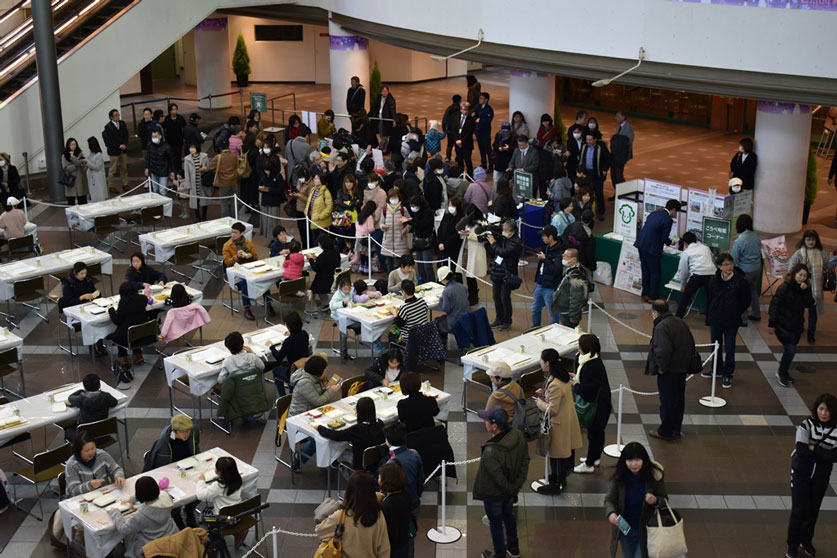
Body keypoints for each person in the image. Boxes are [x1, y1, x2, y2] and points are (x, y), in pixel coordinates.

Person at [473, 406, 530, 558]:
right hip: (511, 489)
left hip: (494, 494)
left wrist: (510, 488)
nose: (484, 423)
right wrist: (516, 485)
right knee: (509, 517)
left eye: (486, 420)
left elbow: (496, 478)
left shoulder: (491, 451)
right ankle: (513, 548)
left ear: (494, 426)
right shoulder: (518, 435)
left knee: (496, 523)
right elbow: (525, 461)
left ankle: (499, 554)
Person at [786, 393, 837, 558]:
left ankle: (806, 541)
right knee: (799, 510)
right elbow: (801, 450)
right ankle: (792, 545)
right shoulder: (806, 425)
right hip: (801, 474)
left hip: (821, 477)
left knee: (813, 510)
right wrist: (824, 454)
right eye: (821, 409)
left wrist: (814, 448)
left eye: (827, 410)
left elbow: (835, 457)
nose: (824, 413)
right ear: (816, 409)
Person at [604, 442, 667, 558]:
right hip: (625, 529)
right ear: (624, 461)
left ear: (644, 459)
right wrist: (611, 513)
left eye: (637, 459)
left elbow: (664, 500)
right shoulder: (619, 477)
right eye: (629, 460)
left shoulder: (653, 476)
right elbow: (609, 500)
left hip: (646, 530)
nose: (634, 464)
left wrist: (655, 500)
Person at [646, 300, 696, 441]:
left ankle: (665, 431)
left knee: (667, 400)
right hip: (681, 368)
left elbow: (663, 350)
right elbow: (690, 342)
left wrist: (662, 368)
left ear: (655, 312)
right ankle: (676, 428)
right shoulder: (679, 321)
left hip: (669, 370)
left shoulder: (661, 327)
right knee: (678, 400)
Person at [534, 348, 582, 494]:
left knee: (557, 454)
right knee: (561, 453)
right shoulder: (561, 375)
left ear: (547, 363)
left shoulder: (555, 382)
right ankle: (557, 477)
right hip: (567, 419)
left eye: (542, 360)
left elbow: (553, 409)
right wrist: (545, 394)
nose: (540, 362)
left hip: (558, 423)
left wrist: (539, 402)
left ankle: (556, 484)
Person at [316, 471, 391, 558]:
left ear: (349, 491)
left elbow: (320, 531)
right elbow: (384, 550)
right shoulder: (378, 515)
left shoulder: (341, 516)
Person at [706, 253, 751, 389]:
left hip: (732, 320)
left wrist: (736, 311)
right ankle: (716, 369)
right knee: (715, 345)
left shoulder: (740, 281)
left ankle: (728, 374)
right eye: (725, 264)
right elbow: (710, 297)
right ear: (719, 267)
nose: (729, 267)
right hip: (716, 319)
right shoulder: (714, 280)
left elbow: (746, 300)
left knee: (730, 347)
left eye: (731, 263)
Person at [289, 355, 341, 468]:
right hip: (301, 416)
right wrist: (331, 391)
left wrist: (325, 389)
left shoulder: (311, 376)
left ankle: (330, 457)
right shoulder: (305, 382)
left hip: (313, 412)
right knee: (320, 437)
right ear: (318, 371)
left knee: (334, 429)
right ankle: (298, 457)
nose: (325, 371)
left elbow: (315, 393)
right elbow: (318, 401)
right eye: (324, 369)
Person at [108, 476, 179, 558]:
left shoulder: (141, 515)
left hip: (151, 548)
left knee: (130, 538)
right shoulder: (166, 497)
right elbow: (153, 492)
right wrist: (132, 499)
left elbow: (123, 529)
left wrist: (115, 512)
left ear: (139, 494)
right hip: (171, 538)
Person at [572, 334, 612, 473]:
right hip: (602, 403)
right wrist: (577, 378)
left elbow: (586, 390)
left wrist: (575, 385)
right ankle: (595, 458)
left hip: (597, 406)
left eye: (580, 345)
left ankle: (589, 465)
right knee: (596, 433)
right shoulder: (594, 360)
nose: (578, 348)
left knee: (595, 435)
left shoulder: (589, 366)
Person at [769, 263, 815, 388]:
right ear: (794, 274)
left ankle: (784, 372)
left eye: (805, 276)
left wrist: (805, 292)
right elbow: (775, 304)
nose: (802, 278)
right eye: (800, 275)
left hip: (796, 326)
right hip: (783, 324)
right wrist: (772, 323)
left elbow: (810, 304)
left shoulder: (804, 288)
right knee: (790, 350)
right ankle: (781, 372)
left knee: (791, 350)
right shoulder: (785, 287)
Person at [319, 396, 386, 470]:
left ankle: (343, 469)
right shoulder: (380, 423)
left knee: (341, 451)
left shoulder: (357, 430)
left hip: (361, 462)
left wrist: (320, 428)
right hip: (378, 458)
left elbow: (336, 435)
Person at [634, 199, 680, 303]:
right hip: (652, 248)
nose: (675, 214)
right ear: (673, 209)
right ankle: (653, 296)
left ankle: (645, 293)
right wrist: (672, 242)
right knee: (655, 272)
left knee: (645, 270)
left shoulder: (654, 213)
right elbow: (664, 238)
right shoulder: (668, 220)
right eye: (675, 212)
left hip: (641, 243)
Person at [107, 281, 151, 376]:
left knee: (118, 333)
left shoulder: (123, 303)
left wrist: (111, 310)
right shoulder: (143, 299)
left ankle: (124, 359)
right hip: (144, 334)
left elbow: (117, 321)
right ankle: (138, 355)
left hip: (128, 337)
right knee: (132, 330)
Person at [789, 230, 826, 343]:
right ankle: (799, 327)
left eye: (813, 239)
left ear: (816, 240)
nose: (810, 242)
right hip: (801, 286)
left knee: (813, 310)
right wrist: (799, 280)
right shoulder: (799, 253)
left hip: (815, 287)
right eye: (808, 239)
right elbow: (791, 269)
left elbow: (826, 266)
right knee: (799, 309)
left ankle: (811, 332)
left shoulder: (821, 253)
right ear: (804, 240)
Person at [486, 220, 523, 331]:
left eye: (506, 230)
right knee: (496, 297)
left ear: (512, 231)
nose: (503, 232)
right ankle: (499, 318)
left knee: (504, 298)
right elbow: (496, 252)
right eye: (503, 230)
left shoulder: (515, 242)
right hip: (498, 271)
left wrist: (493, 243)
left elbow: (503, 252)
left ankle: (507, 321)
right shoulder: (503, 239)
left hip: (508, 273)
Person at [65, 431, 125, 497]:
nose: (91, 452)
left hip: (103, 495)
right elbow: (73, 491)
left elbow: (116, 469)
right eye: (87, 451)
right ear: (78, 451)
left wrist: (119, 476)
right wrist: (90, 485)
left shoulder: (101, 455)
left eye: (93, 448)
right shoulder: (72, 465)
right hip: (81, 499)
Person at [673, 231, 717, 318]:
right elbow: (712, 259)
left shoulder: (686, 252)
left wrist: (683, 284)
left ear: (685, 243)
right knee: (711, 297)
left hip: (698, 275)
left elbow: (683, 271)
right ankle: (710, 319)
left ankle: (678, 317)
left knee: (686, 296)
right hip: (712, 274)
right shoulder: (705, 247)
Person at [384, 421, 424, 511]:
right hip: (415, 502)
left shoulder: (391, 464)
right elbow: (420, 480)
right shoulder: (415, 454)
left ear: (388, 441)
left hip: (399, 507)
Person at [267, 311, 310, 396]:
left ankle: (282, 395)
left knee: (276, 369)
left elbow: (278, 357)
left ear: (288, 325)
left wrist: (271, 347)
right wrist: (291, 334)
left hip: (292, 371)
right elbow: (298, 339)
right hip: (304, 367)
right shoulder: (304, 334)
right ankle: (291, 389)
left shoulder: (288, 341)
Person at [222, 222, 258, 321]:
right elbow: (227, 263)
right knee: (245, 282)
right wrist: (237, 257)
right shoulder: (227, 246)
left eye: (236, 232)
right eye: (232, 232)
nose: (233, 234)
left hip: (249, 269)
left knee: (261, 278)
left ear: (242, 233)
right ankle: (247, 308)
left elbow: (256, 257)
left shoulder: (248, 243)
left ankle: (269, 304)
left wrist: (251, 256)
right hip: (235, 273)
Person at [730, 214, 762, 323]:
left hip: (745, 271)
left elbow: (733, 259)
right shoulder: (756, 236)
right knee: (752, 291)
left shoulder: (740, 241)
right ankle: (757, 314)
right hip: (757, 269)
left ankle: (742, 319)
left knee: (741, 294)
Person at [378, 461, 412, 558]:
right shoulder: (405, 494)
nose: (378, 479)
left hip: (393, 548)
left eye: (380, 477)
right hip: (404, 542)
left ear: (387, 481)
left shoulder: (387, 506)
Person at [552, 247, 592, 328]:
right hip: (565, 310)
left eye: (566, 256)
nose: (563, 258)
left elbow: (576, 297)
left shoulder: (576, 276)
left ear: (574, 259)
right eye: (563, 255)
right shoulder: (570, 270)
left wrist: (573, 315)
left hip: (568, 313)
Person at [532, 225, 563, 327]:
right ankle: (535, 327)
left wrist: (545, 259)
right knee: (535, 309)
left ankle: (554, 330)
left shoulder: (559, 251)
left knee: (552, 313)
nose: (542, 238)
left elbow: (556, 270)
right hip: (540, 283)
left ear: (551, 237)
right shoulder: (546, 247)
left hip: (550, 287)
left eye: (544, 236)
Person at [579, 132, 611, 220]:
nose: (588, 141)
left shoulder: (601, 148)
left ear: (595, 140)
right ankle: (586, 211)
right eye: (587, 139)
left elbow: (608, 159)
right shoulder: (584, 146)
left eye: (590, 140)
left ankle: (601, 212)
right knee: (585, 192)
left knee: (598, 192)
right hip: (586, 173)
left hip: (596, 173)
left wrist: (604, 169)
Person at [306, 233, 341, 312]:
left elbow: (315, 267)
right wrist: (317, 258)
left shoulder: (324, 255)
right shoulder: (335, 251)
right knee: (316, 287)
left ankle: (311, 308)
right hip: (332, 275)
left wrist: (310, 259)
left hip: (324, 279)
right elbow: (326, 261)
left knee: (312, 289)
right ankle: (325, 304)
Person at [404, 196, 435, 282]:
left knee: (427, 266)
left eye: (414, 205)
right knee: (420, 265)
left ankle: (431, 282)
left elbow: (421, 224)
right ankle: (422, 282)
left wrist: (410, 221)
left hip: (427, 242)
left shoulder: (428, 213)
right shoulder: (416, 213)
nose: (412, 208)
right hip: (418, 241)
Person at [257, 149, 286, 238]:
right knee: (266, 220)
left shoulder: (277, 176)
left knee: (273, 221)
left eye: (268, 171)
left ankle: (274, 237)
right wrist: (261, 188)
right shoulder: (264, 176)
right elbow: (260, 184)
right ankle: (267, 235)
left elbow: (280, 189)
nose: (267, 172)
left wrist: (269, 190)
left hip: (274, 202)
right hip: (265, 201)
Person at [435, 265, 470, 338]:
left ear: (443, 279)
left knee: (437, 321)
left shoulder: (446, 292)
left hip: (454, 322)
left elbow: (446, 309)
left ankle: (442, 345)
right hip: (467, 320)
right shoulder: (462, 287)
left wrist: (441, 300)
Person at [208, 138, 240, 218]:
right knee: (234, 203)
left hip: (223, 184)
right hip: (233, 182)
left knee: (224, 204)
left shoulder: (218, 157)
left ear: (220, 148)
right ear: (229, 146)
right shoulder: (234, 156)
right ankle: (235, 219)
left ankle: (225, 221)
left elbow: (209, 167)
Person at [391, 279, 428, 345]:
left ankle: (398, 354)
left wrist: (394, 313)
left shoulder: (404, 307)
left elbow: (399, 324)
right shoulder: (422, 301)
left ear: (404, 293)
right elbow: (425, 311)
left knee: (391, 335)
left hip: (409, 339)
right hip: (423, 334)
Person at [101, 109, 129, 195]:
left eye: (118, 115)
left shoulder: (122, 123)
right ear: (111, 117)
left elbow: (126, 135)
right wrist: (119, 145)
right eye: (116, 115)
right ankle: (111, 186)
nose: (118, 117)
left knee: (124, 168)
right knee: (112, 170)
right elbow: (110, 140)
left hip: (123, 150)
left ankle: (125, 184)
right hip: (114, 151)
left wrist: (124, 144)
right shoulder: (108, 127)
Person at [381, 188, 409, 271]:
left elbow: (409, 222)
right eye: (392, 197)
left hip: (399, 240)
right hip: (388, 240)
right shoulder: (385, 209)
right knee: (388, 262)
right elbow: (381, 223)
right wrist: (383, 226)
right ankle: (390, 279)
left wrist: (405, 229)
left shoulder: (403, 209)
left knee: (399, 262)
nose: (393, 199)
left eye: (395, 197)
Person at [181, 143, 210, 222]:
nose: (191, 149)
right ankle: (197, 216)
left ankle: (204, 215)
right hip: (194, 183)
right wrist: (188, 184)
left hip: (203, 182)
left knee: (204, 199)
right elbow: (186, 173)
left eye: (193, 147)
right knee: (195, 200)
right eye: (190, 147)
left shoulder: (204, 156)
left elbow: (209, 168)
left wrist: (205, 168)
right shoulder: (187, 159)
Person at [334, 174, 361, 253]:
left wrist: (348, 203)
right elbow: (340, 203)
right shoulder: (340, 192)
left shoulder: (357, 192)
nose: (348, 184)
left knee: (353, 239)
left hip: (355, 220)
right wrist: (352, 204)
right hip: (344, 220)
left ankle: (353, 255)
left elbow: (359, 203)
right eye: (346, 182)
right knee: (341, 240)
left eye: (350, 182)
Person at [330, 279, 356, 360]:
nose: (348, 291)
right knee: (343, 334)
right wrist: (342, 303)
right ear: (341, 288)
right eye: (345, 289)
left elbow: (353, 299)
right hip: (338, 317)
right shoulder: (337, 295)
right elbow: (331, 306)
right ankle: (343, 352)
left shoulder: (351, 292)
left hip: (349, 315)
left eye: (349, 289)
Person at [609, 111, 634, 194]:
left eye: (617, 116)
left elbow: (628, 142)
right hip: (614, 155)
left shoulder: (628, 128)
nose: (616, 118)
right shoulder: (618, 127)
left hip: (621, 156)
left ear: (623, 117)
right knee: (614, 175)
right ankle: (617, 192)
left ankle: (623, 192)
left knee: (619, 175)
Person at [144, 129, 175, 196]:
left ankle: (164, 206)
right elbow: (148, 157)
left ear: (160, 136)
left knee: (162, 190)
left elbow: (171, 160)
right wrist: (147, 167)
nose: (154, 138)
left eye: (156, 136)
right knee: (155, 190)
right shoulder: (150, 145)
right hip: (153, 171)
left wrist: (172, 171)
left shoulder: (166, 147)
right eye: (153, 136)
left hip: (163, 172)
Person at [437, 197, 464, 265]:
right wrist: (440, 242)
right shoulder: (446, 216)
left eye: (452, 206)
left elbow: (456, 234)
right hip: (442, 246)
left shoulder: (461, 219)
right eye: (449, 205)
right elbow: (439, 229)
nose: (450, 207)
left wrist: (445, 244)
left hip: (453, 248)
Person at [61, 138, 88, 205]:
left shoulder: (80, 153)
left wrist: (73, 157)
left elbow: (81, 163)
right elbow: (65, 168)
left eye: (74, 144)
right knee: (71, 201)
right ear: (68, 145)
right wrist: (75, 166)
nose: (73, 146)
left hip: (80, 179)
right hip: (70, 179)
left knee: (82, 200)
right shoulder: (64, 155)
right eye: (71, 145)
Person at [453, 101, 477, 176]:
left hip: (466, 144)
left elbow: (469, 132)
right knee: (459, 161)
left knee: (468, 161)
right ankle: (460, 175)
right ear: (460, 110)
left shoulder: (471, 120)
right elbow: (453, 130)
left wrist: (461, 141)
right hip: (457, 143)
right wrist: (456, 141)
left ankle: (470, 176)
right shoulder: (456, 117)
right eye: (463, 109)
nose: (464, 111)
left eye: (466, 110)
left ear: (469, 110)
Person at [82, 137, 107, 203]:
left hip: (97, 178)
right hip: (91, 177)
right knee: (93, 193)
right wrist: (84, 162)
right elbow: (88, 162)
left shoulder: (99, 155)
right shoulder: (91, 153)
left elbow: (97, 167)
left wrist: (87, 162)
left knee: (99, 194)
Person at [474, 92, 494, 171]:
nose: (480, 100)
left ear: (486, 100)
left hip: (485, 132)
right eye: (480, 98)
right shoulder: (478, 107)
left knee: (488, 149)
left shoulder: (489, 109)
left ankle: (491, 166)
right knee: (481, 148)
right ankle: (483, 163)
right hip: (478, 131)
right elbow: (474, 114)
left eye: (482, 98)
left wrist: (480, 120)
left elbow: (488, 120)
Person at [442, 94, 463, 161]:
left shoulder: (449, 109)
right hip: (458, 130)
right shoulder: (461, 109)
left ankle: (448, 157)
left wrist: (444, 129)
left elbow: (444, 119)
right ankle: (458, 158)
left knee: (449, 144)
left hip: (450, 129)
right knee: (457, 144)